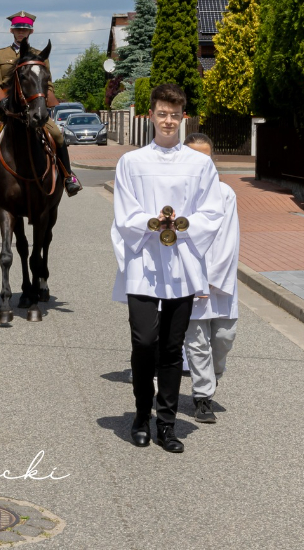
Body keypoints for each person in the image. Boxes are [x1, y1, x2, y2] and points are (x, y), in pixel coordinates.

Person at [110, 83, 225, 454]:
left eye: (175, 114)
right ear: (151, 115)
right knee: (144, 343)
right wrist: (153, 223)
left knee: (173, 349)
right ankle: (141, 414)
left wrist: (182, 224)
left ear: (183, 116)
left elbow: (213, 211)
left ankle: (167, 423)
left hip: (183, 263)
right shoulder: (132, 162)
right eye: (162, 113)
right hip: (144, 262)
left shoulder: (200, 164)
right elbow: (124, 213)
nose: (169, 120)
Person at [0, 12, 81, 205]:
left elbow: (48, 84)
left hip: (33, 111)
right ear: (11, 30)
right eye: (18, 29)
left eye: (25, 29)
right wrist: (2, 102)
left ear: (31, 31)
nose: (21, 32)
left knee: (58, 136)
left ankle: (68, 177)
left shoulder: (40, 56)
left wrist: (43, 103)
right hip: (6, 113)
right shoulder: (0, 55)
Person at [182, 132, 240, 424]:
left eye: (205, 159)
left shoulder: (225, 193)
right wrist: (194, 281)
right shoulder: (177, 196)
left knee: (223, 337)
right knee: (196, 340)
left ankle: (211, 379)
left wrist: (213, 280)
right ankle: (202, 396)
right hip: (190, 280)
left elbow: (228, 240)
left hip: (220, 280)